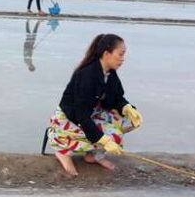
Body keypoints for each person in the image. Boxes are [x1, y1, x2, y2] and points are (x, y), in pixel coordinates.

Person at [47, 33, 143, 176]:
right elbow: (81, 116)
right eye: (120, 54)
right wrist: (103, 140)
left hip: (89, 113)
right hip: (70, 118)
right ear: (106, 54)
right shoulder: (86, 75)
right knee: (109, 135)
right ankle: (62, 151)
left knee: (125, 122)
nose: (122, 59)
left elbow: (116, 97)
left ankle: (93, 156)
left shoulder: (109, 73)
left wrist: (127, 108)